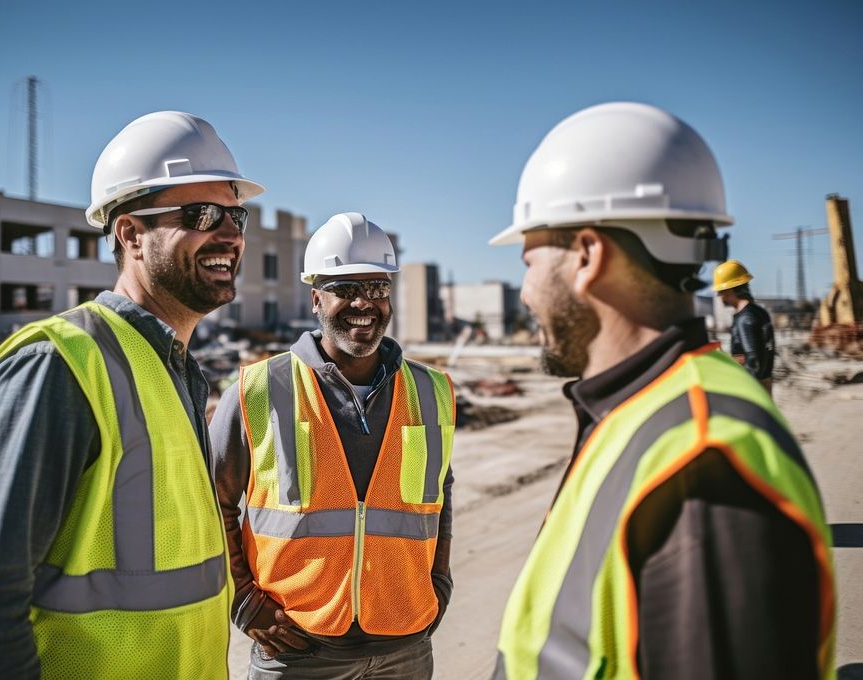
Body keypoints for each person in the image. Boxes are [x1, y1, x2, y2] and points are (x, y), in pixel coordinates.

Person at [488, 102, 834, 680]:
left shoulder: (701, 466)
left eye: (528, 261)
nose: (524, 293)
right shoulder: (636, 413)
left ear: (587, 255)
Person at [0, 111, 264, 680]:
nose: (229, 233)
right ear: (130, 234)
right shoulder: (59, 365)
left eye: (236, 215)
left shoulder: (173, 371)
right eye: (202, 215)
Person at [210, 212, 455, 680]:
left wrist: (438, 584)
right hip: (297, 649)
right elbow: (212, 504)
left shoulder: (433, 390)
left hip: (405, 646)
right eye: (345, 289)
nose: (364, 303)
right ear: (315, 297)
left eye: (377, 288)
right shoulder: (258, 389)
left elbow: (440, 494)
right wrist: (245, 602)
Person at [714, 259, 776, 394]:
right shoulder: (759, 312)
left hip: (752, 388)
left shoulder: (745, 319)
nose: (718, 295)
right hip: (764, 383)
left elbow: (753, 363)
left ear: (729, 289)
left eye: (720, 291)